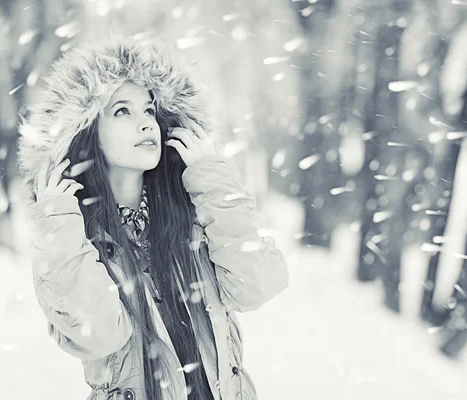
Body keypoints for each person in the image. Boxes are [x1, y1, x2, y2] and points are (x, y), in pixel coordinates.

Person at [16, 35, 289, 400]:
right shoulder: (69, 235)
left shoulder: (192, 212)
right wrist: (58, 224)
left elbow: (258, 284)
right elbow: (98, 333)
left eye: (149, 110)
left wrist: (215, 182)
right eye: (122, 111)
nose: (146, 124)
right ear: (88, 133)